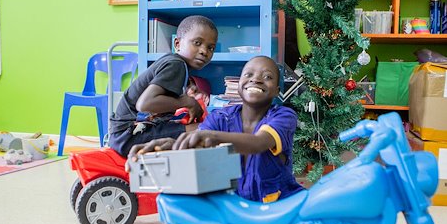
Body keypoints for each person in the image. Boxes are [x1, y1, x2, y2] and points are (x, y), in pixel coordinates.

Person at [128, 56, 304, 203]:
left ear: (277, 91)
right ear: (239, 83)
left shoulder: (283, 116)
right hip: (234, 206)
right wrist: (169, 146)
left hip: (279, 205)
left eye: (267, 77)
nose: (256, 79)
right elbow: (198, 142)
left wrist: (211, 136)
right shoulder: (221, 117)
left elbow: (259, 143)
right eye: (248, 74)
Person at [108, 15, 218, 157]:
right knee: (207, 129)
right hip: (129, 136)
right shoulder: (176, 65)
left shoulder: (175, 63)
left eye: (211, 48)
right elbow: (145, 104)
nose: (204, 51)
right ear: (177, 44)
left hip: (126, 133)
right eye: (197, 43)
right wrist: (188, 102)